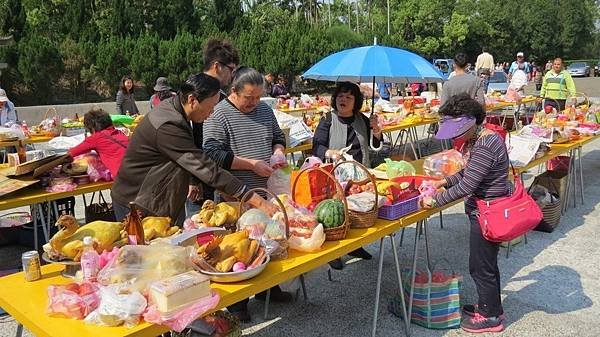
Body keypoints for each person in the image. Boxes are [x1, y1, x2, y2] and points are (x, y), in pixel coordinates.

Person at [111, 73, 273, 225]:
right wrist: (256, 199)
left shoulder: (176, 111)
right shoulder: (168, 125)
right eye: (210, 107)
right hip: (137, 202)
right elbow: (204, 167)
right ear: (192, 100)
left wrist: (197, 182)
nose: (211, 113)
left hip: (157, 197)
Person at [203, 67, 291, 322]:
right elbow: (213, 154)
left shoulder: (264, 109)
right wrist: (251, 164)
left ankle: (269, 289)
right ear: (233, 91)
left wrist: (277, 151)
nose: (254, 103)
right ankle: (237, 303)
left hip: (267, 189)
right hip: (235, 194)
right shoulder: (219, 113)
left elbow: (277, 136)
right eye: (248, 98)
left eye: (257, 97)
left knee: (268, 243)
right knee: (238, 250)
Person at [422, 93, 509, 333]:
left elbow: (468, 186)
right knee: (485, 263)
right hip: (483, 210)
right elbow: (467, 174)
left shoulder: (485, 144)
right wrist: (444, 182)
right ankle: (490, 306)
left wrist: (435, 201)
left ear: (470, 122)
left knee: (481, 266)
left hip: (488, 212)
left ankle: (491, 317)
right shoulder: (477, 139)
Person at [312, 82, 382, 270]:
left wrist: (376, 130)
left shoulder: (363, 119)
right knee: (335, 215)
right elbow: (316, 146)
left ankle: (355, 246)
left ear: (356, 101)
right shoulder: (328, 119)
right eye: (340, 95)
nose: (343, 99)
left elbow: (375, 146)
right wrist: (329, 152)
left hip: (360, 176)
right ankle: (333, 252)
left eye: (349, 97)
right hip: (335, 177)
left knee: (357, 212)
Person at [189, 38, 240, 217]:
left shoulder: (220, 94)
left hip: (214, 172)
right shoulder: (196, 91)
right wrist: (193, 180)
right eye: (231, 69)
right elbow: (192, 140)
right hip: (198, 175)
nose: (232, 75)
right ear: (217, 66)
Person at [67, 108, 129, 179]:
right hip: (139, 172)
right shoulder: (120, 133)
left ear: (92, 128)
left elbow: (71, 153)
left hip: (124, 178)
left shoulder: (96, 137)